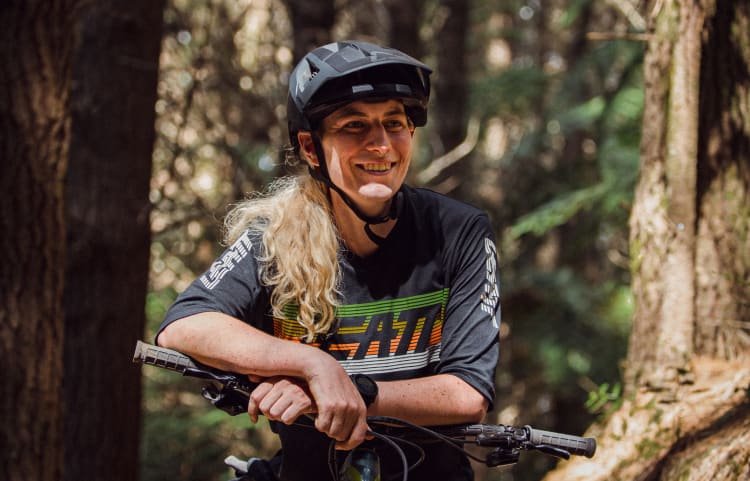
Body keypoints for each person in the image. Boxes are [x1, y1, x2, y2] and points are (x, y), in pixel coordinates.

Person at [156, 40, 501, 481]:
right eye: (354, 126)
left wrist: (348, 392)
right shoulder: (278, 234)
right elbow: (184, 324)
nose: (380, 144)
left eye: (394, 123)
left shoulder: (459, 231)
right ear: (310, 146)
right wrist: (310, 365)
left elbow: (468, 391)